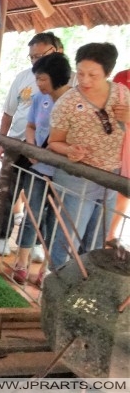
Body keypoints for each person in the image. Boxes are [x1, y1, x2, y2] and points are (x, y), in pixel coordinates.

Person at [48, 43, 129, 270]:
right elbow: (55, 142)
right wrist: (69, 150)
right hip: (77, 176)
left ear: (108, 73)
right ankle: (59, 283)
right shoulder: (68, 102)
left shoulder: (122, 95)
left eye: (93, 75)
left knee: (97, 238)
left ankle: (86, 284)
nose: (85, 80)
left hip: (111, 177)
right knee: (68, 236)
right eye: (81, 73)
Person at [0, 32, 60, 257]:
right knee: (8, 192)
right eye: (32, 57)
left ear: (56, 51)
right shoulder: (23, 77)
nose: (36, 61)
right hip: (17, 142)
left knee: (41, 199)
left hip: (49, 151)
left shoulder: (69, 81)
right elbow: (8, 112)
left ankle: (32, 244)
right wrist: (2, 140)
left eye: (41, 55)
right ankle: (1, 237)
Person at [10, 53, 72, 285]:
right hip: (38, 166)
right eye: (38, 79)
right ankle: (21, 262)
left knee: (56, 220)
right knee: (31, 214)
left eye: (43, 79)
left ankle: (46, 269)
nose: (39, 84)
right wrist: (32, 149)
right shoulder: (39, 99)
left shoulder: (74, 102)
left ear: (57, 77)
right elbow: (31, 126)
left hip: (63, 172)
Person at [108, 68, 130, 245]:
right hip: (120, 142)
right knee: (118, 190)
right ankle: (108, 234)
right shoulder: (122, 77)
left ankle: (110, 235)